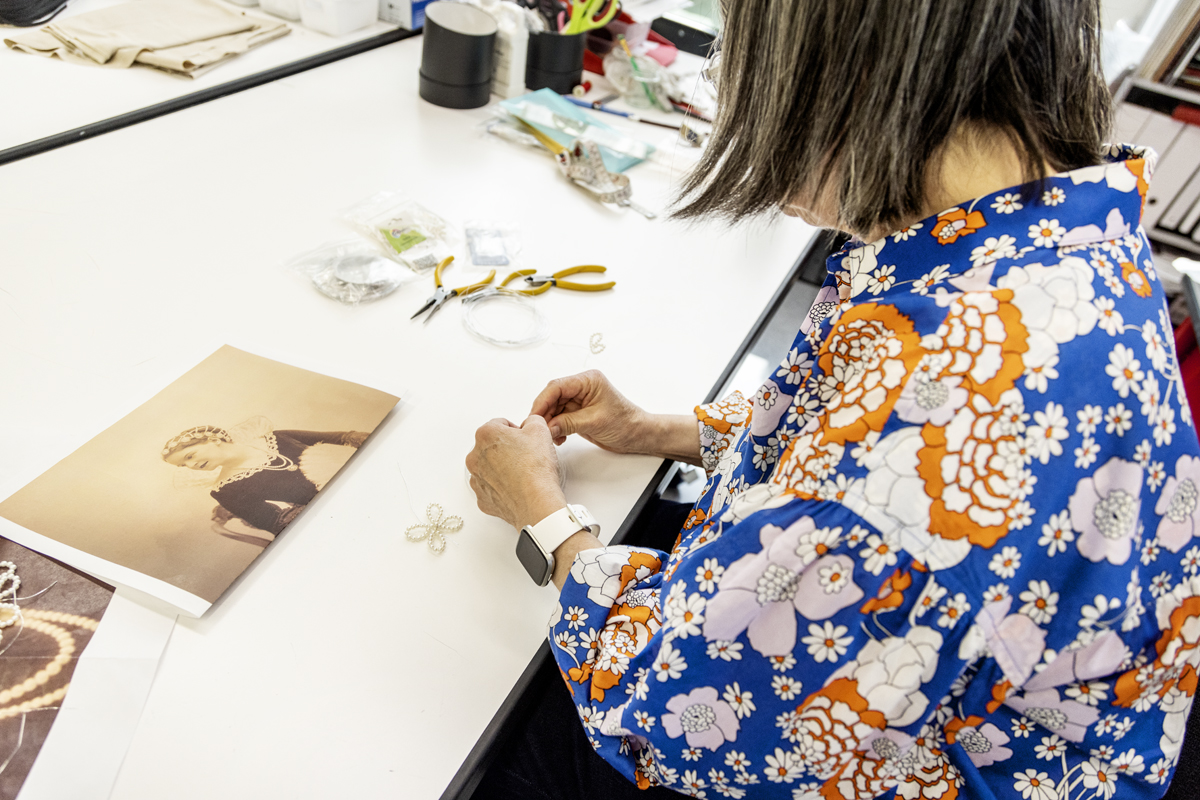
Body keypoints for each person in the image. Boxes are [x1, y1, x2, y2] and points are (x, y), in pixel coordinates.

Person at [467, 1, 1200, 798]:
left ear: (849, 77)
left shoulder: (953, 406)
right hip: (945, 684)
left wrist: (543, 517)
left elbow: (676, 718)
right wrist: (658, 430)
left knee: (491, 723)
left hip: (903, 756)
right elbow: (845, 436)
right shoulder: (1043, 233)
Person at [161, 416, 368, 535]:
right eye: (183, 465)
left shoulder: (275, 437)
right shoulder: (226, 490)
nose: (191, 465)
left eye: (190, 455)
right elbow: (275, 524)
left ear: (212, 440)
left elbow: (342, 438)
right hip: (339, 509)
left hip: (362, 473)